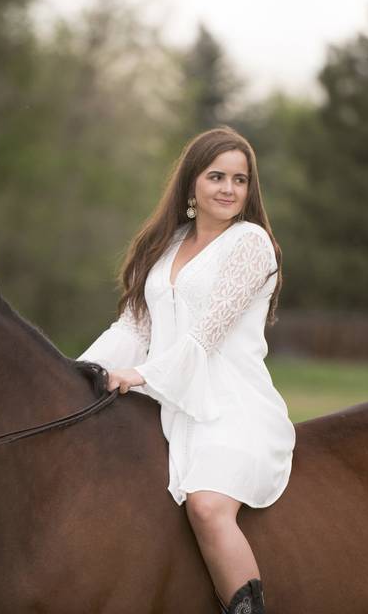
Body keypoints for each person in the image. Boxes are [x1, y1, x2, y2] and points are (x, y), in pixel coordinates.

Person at [77, 126, 296, 614]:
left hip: (230, 408)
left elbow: (205, 336)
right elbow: (132, 329)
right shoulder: (166, 244)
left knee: (207, 507)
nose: (228, 189)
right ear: (191, 183)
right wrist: (75, 374)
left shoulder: (251, 244)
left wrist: (139, 376)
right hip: (168, 402)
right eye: (216, 176)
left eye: (240, 180)